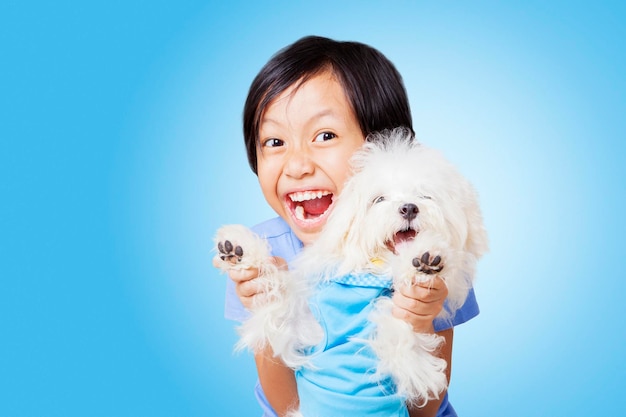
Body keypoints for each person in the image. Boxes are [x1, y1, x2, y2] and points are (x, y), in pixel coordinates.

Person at [219, 35, 479, 417]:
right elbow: (282, 404)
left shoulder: (428, 246)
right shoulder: (262, 253)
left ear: (384, 147)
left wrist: (419, 323)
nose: (297, 165)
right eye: (274, 141)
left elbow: (425, 409)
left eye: (325, 135)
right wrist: (269, 311)